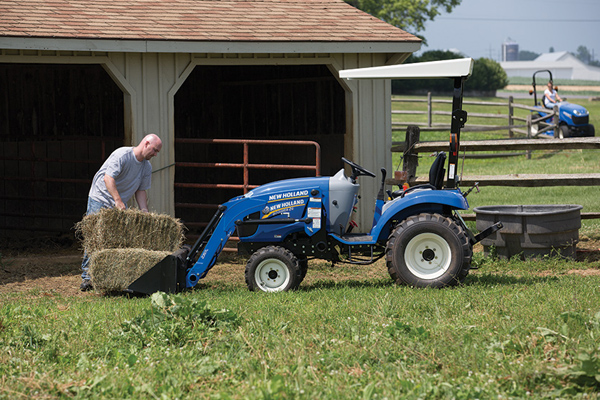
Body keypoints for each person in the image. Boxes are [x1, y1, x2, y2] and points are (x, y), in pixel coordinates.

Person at [79, 133, 163, 291]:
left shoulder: (146, 166)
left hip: (118, 203)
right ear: (146, 143)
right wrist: (118, 200)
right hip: (101, 198)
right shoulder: (122, 155)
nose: (155, 154)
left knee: (114, 240)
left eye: (157, 151)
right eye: (154, 150)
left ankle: (107, 277)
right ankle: (87, 278)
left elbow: (141, 190)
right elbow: (108, 178)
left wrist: (144, 210)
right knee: (95, 237)